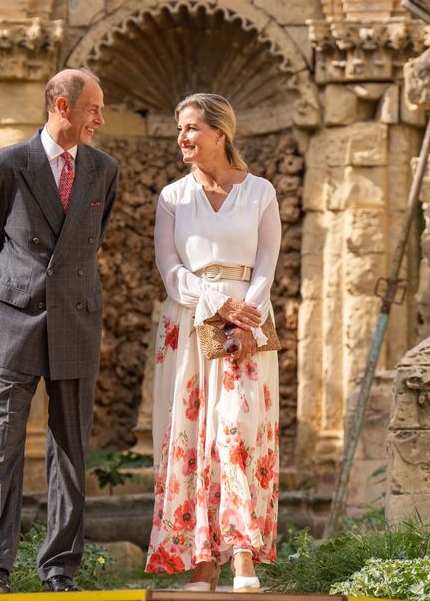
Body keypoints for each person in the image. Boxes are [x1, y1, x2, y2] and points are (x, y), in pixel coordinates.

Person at [0, 68, 119, 594]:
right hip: (14, 321)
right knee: (2, 446)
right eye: (93, 108)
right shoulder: (3, 165)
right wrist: (14, 298)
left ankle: (59, 569)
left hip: (77, 318)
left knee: (71, 449)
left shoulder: (104, 170)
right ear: (62, 106)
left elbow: (87, 244)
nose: (100, 119)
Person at [145, 93, 281, 593]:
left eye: (191, 128)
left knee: (237, 430)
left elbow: (266, 263)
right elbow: (170, 269)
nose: (182, 137)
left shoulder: (260, 191)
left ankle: (243, 556)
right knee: (192, 433)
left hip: (249, 320)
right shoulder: (172, 197)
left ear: (220, 133)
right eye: (180, 128)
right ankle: (202, 564)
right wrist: (218, 304)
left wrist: (246, 319)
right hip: (189, 320)